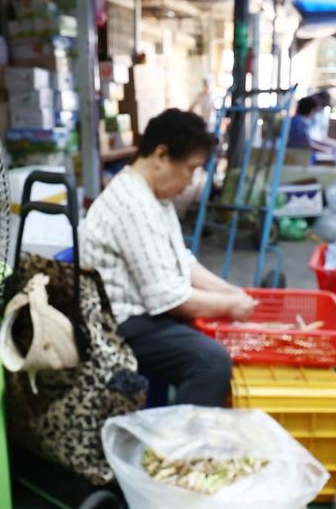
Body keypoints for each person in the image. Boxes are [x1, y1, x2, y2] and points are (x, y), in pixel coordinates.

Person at [82, 109, 256, 406]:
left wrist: (232, 293)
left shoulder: (154, 198)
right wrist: (230, 305)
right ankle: (179, 449)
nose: (190, 182)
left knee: (212, 333)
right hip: (119, 324)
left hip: (144, 311)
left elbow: (184, 261)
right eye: (190, 169)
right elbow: (168, 299)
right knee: (210, 362)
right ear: (161, 155)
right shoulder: (133, 204)